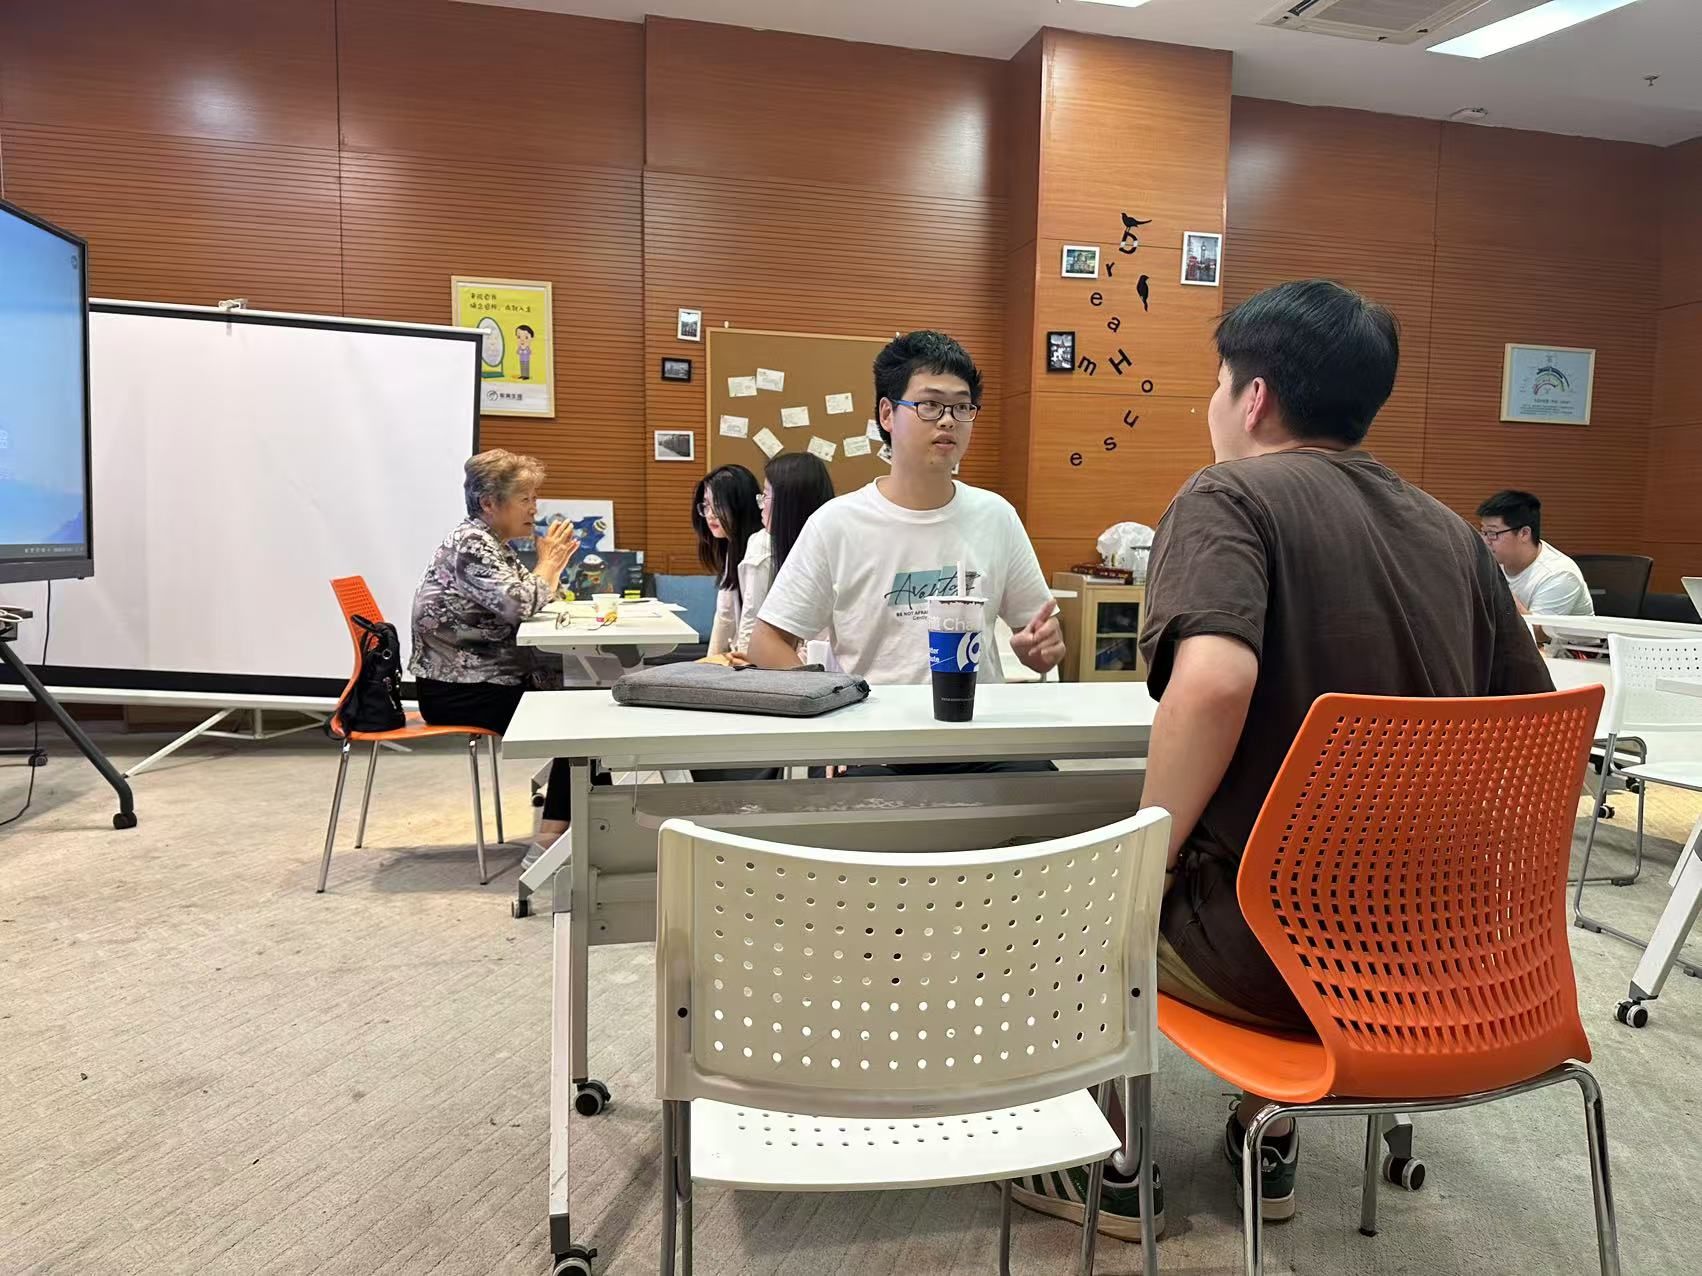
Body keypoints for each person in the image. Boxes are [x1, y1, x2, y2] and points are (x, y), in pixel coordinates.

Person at [1016, 281, 1553, 1242]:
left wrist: (1150, 860)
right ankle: (1267, 1135)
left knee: (1073, 891)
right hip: (1448, 959)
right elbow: (1535, 723)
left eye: (1217, 382)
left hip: (1272, 958)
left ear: (1253, 397)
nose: (1213, 404)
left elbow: (1215, 684)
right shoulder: (1452, 535)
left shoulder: (1226, 496)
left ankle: (1113, 1170)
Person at [747, 330, 1065, 705]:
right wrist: (831, 704)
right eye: (930, 404)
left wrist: (1042, 648)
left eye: (962, 406)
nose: (948, 420)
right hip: (875, 735)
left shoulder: (997, 516)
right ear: (887, 414)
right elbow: (766, 642)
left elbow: (1041, 640)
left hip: (977, 727)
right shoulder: (836, 524)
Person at [409, 449, 602, 869]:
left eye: (535, 498)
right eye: (525, 499)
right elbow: (523, 602)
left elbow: (532, 594)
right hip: (460, 690)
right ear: (489, 504)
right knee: (585, 721)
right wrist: (549, 563)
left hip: (484, 679)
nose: (534, 509)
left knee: (591, 703)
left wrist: (549, 568)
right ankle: (549, 847)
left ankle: (580, 826)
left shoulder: (494, 543)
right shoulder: (472, 544)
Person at [732, 452, 837, 657]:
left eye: (766, 496)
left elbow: (819, 649)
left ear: (788, 502)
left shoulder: (825, 558)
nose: (761, 505)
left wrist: (754, 662)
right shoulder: (775, 546)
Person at [1476, 489, 1595, 636]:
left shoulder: (1559, 574)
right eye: (1483, 532)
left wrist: (1500, 590)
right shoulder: (1496, 559)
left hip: (1570, 649)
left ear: (1524, 533)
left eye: (1493, 533)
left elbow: (1539, 634)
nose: (1486, 541)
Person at [692, 464, 762, 658]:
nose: (710, 514)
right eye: (706, 505)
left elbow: (751, 618)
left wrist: (746, 666)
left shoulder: (758, 548)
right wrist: (708, 664)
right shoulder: (732, 547)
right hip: (744, 657)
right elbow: (725, 615)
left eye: (718, 505)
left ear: (741, 506)